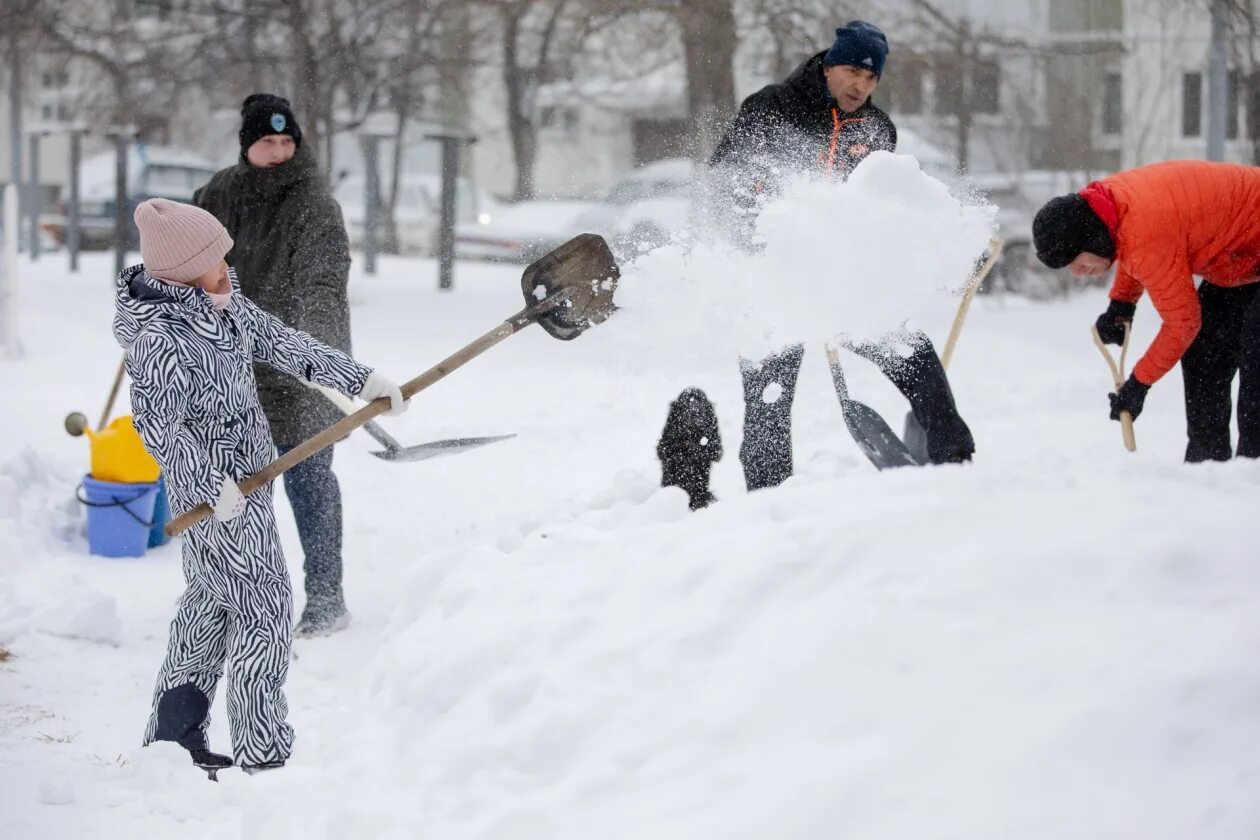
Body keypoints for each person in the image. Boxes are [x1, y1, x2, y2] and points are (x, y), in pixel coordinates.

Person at [115, 199, 406, 773]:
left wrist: (362, 379)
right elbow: (157, 426)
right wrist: (206, 486)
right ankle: (263, 750)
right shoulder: (159, 337)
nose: (226, 264)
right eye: (214, 258)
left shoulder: (223, 307)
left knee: (210, 606)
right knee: (263, 606)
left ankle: (175, 738)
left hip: (247, 482)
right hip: (216, 496)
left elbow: (285, 344)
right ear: (179, 272)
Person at [662, 20, 971, 498]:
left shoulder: (877, 130)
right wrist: (767, 228)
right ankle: (770, 503)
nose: (860, 86)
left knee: (913, 354)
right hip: (770, 279)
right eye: (852, 71)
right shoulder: (771, 109)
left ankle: (957, 464)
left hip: (843, 280)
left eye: (871, 79)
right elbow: (725, 184)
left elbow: (882, 206)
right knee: (769, 401)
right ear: (828, 65)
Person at [194, 93, 358, 636]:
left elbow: (322, 285)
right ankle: (239, 597)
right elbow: (188, 263)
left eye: (288, 142)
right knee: (234, 492)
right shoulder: (217, 196)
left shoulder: (315, 205)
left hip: (300, 368)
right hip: (231, 366)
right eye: (269, 141)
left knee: (310, 482)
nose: (280, 150)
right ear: (248, 145)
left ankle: (326, 598)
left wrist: (309, 353)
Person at [1032, 160, 1260, 462]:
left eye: (1075, 261)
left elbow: (1183, 322)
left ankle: (1252, 468)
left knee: (1255, 353)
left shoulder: (1142, 227)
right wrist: (1121, 303)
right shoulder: (1108, 206)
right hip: (1244, 249)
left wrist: (1139, 384)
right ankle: (1208, 462)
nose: (1076, 272)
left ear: (1089, 238)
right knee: (1206, 352)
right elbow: (1131, 242)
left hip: (1247, 241)